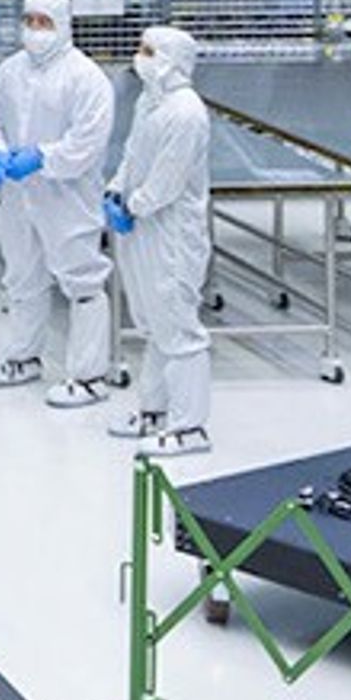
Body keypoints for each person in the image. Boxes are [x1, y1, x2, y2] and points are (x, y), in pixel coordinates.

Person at [0, 0, 117, 406]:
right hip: (19, 194)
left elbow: (87, 142)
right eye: (29, 21)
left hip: (67, 194)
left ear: (64, 24)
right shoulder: (10, 70)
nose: (35, 31)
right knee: (22, 275)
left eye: (44, 23)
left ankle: (89, 377)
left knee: (82, 279)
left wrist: (42, 157)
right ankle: (24, 357)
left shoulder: (85, 77)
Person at [101, 26, 215, 459]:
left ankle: (190, 428)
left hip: (171, 232)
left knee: (179, 327)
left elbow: (168, 178)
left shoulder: (186, 112)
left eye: (149, 51)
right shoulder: (149, 101)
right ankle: (154, 411)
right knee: (154, 324)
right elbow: (132, 156)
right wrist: (116, 190)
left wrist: (134, 205)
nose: (140, 57)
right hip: (143, 224)